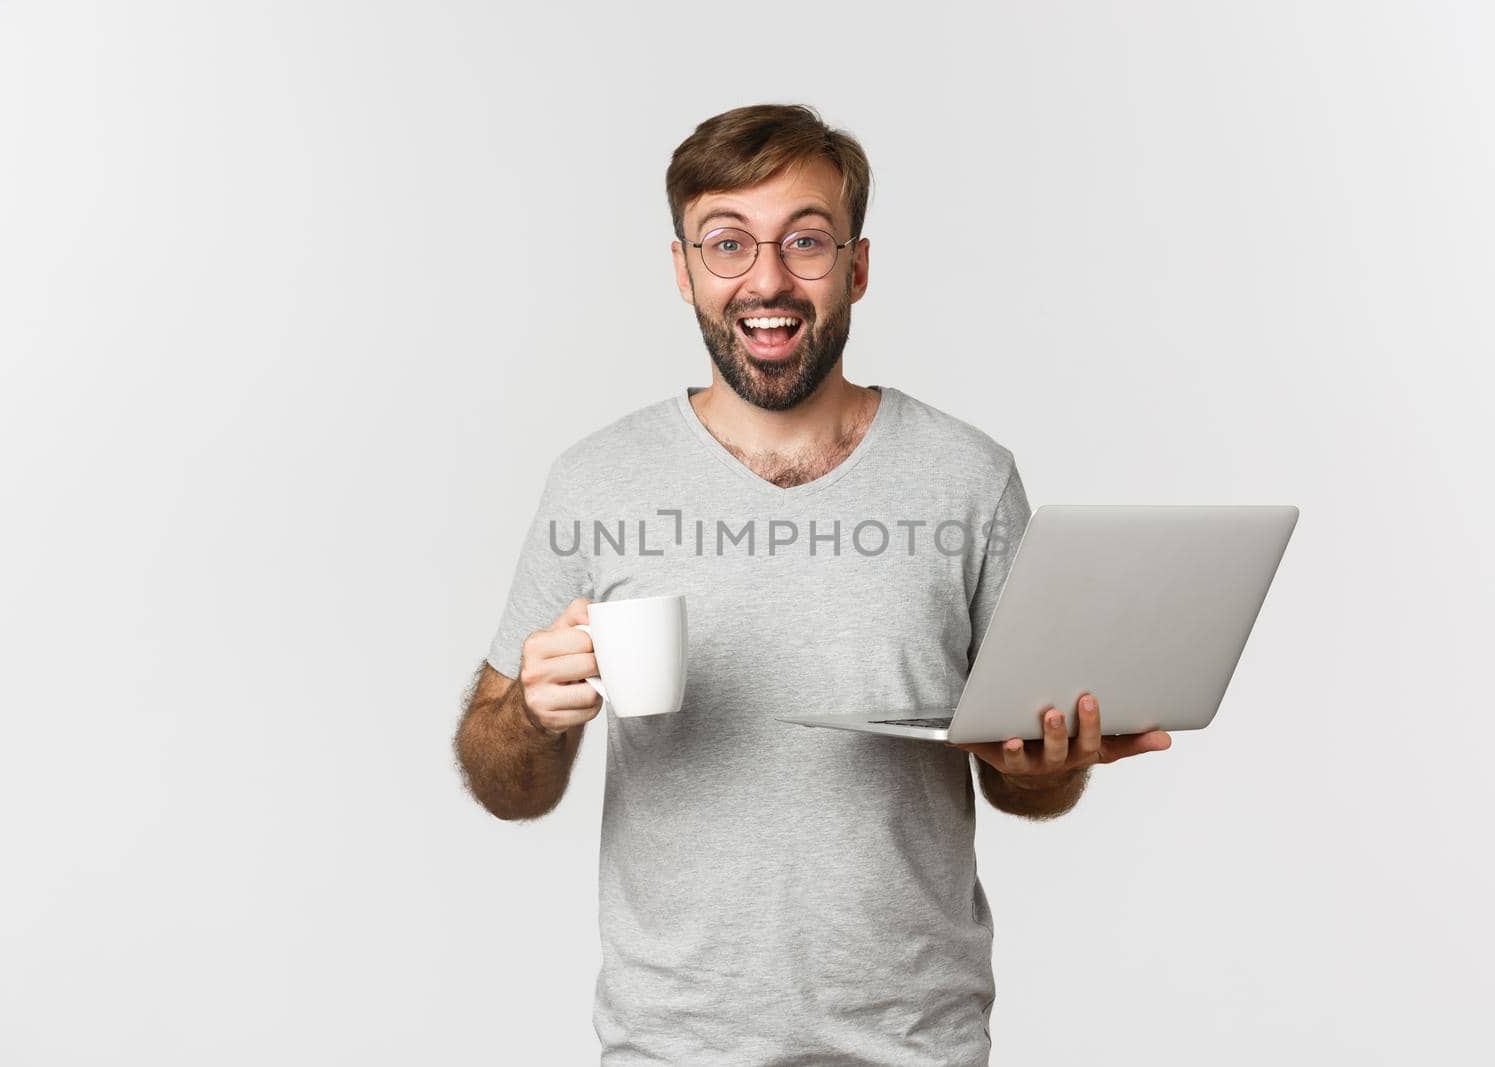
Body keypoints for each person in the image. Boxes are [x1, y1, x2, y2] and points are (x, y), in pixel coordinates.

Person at [453, 103, 1172, 1066]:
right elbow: (507, 785)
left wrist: (1046, 764)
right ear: (682, 271)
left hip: (917, 1044)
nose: (768, 279)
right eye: (726, 243)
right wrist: (533, 719)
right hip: (672, 1046)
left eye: (806, 241)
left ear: (858, 267)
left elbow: (1023, 783)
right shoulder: (596, 481)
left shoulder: (970, 476)